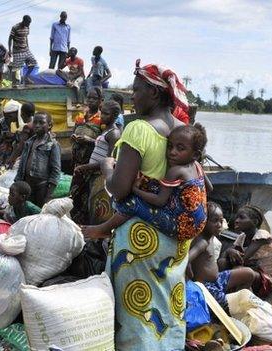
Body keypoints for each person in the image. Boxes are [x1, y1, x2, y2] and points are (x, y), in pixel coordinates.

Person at [100, 59, 190, 349]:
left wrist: (106, 167)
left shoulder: (139, 129)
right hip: (175, 240)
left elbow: (120, 189)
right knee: (166, 309)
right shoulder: (185, 133)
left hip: (141, 238)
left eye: (136, 90)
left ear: (153, 93)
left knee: (136, 317)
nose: (132, 96)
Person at [82, 124, 209, 241]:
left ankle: (103, 229)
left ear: (195, 155)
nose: (172, 152)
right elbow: (210, 187)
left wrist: (134, 189)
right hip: (200, 224)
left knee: (132, 202)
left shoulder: (176, 171)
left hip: (181, 229)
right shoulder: (197, 166)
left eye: (180, 149)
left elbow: (160, 201)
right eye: (170, 146)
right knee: (153, 186)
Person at [188, 202, 258, 310]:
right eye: (215, 221)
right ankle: (231, 306)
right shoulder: (202, 242)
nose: (219, 225)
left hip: (218, 280)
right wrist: (191, 276)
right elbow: (186, 259)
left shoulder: (210, 238)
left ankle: (235, 298)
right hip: (207, 288)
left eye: (221, 221)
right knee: (232, 306)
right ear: (203, 221)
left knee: (249, 273)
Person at [219, 205, 272, 300]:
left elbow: (242, 259)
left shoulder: (262, 235)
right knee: (222, 262)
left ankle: (237, 300)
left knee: (240, 270)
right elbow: (225, 257)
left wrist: (230, 252)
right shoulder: (242, 237)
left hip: (271, 280)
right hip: (257, 273)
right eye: (237, 217)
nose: (236, 220)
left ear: (255, 222)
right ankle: (223, 293)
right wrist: (229, 251)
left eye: (242, 217)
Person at [69, 87, 103, 223]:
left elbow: (104, 141)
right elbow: (74, 131)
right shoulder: (80, 116)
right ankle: (75, 222)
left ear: (100, 101)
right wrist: (74, 137)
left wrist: (90, 141)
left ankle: (87, 226)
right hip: (78, 163)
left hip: (92, 165)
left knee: (89, 195)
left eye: (94, 98)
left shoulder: (102, 118)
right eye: (89, 97)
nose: (90, 100)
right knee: (75, 195)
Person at [14, 112, 61, 207]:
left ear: (49, 125)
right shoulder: (29, 142)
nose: (37, 125)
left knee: (39, 212)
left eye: (41, 122)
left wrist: (49, 195)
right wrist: (17, 183)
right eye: (35, 122)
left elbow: (56, 170)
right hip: (26, 185)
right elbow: (22, 163)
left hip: (41, 186)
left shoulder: (52, 144)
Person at [0, 99, 22, 174]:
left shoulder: (22, 125)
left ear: (17, 113)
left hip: (14, 156)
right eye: (6, 116)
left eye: (10, 116)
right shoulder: (1, 122)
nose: (7, 119)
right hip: (0, 155)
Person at [8, 15, 37, 85]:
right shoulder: (15, 27)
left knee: (33, 62)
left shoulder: (27, 27)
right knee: (16, 67)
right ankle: (14, 82)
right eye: (28, 23)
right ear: (23, 21)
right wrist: (9, 50)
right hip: (17, 50)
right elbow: (10, 39)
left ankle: (26, 77)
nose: (28, 24)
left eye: (29, 23)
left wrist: (28, 47)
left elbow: (26, 37)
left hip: (25, 49)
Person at [7, 101, 35, 168]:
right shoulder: (37, 124)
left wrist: (12, 160)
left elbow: (21, 146)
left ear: (22, 114)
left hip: (29, 156)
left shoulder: (27, 127)